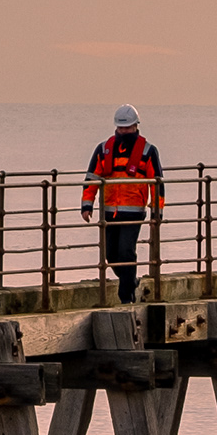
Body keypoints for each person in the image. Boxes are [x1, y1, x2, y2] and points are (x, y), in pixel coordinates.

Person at [81, 105, 165, 296]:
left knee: (126, 251)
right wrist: (87, 205)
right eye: (120, 128)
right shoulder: (104, 149)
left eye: (127, 128)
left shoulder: (148, 151)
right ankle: (131, 280)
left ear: (136, 126)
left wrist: (156, 213)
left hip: (134, 212)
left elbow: (157, 184)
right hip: (109, 211)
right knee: (110, 254)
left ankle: (126, 295)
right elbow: (92, 178)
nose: (123, 131)